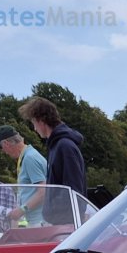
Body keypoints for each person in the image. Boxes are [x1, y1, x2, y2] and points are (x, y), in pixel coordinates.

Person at [17, 97, 86, 227]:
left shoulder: (64, 146)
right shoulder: (57, 145)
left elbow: (73, 191)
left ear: (41, 121)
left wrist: (56, 217)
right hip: (59, 223)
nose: (34, 129)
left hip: (65, 225)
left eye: (33, 123)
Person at [0, 124, 46, 225]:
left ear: (6, 143)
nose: (4, 152)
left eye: (2, 148)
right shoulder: (28, 156)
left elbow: (43, 191)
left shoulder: (29, 158)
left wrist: (21, 210)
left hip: (39, 221)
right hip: (36, 220)